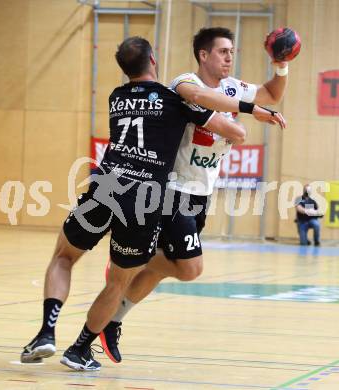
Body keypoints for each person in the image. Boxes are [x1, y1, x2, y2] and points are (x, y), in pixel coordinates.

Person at [20, 36, 283, 370]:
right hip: (146, 197)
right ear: (154, 60)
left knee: (63, 257)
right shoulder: (175, 97)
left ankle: (46, 331)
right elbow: (217, 118)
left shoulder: (117, 97)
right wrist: (250, 109)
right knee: (119, 281)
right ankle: (81, 349)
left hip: (106, 185)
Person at [100, 27, 289, 364]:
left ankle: (113, 320)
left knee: (162, 269)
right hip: (174, 188)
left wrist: (281, 65)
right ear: (204, 55)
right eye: (222, 51)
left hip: (201, 192)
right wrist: (246, 111)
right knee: (189, 270)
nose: (230, 56)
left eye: (232, 51)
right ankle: (129, 260)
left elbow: (271, 95)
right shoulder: (185, 83)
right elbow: (205, 101)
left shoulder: (234, 88)